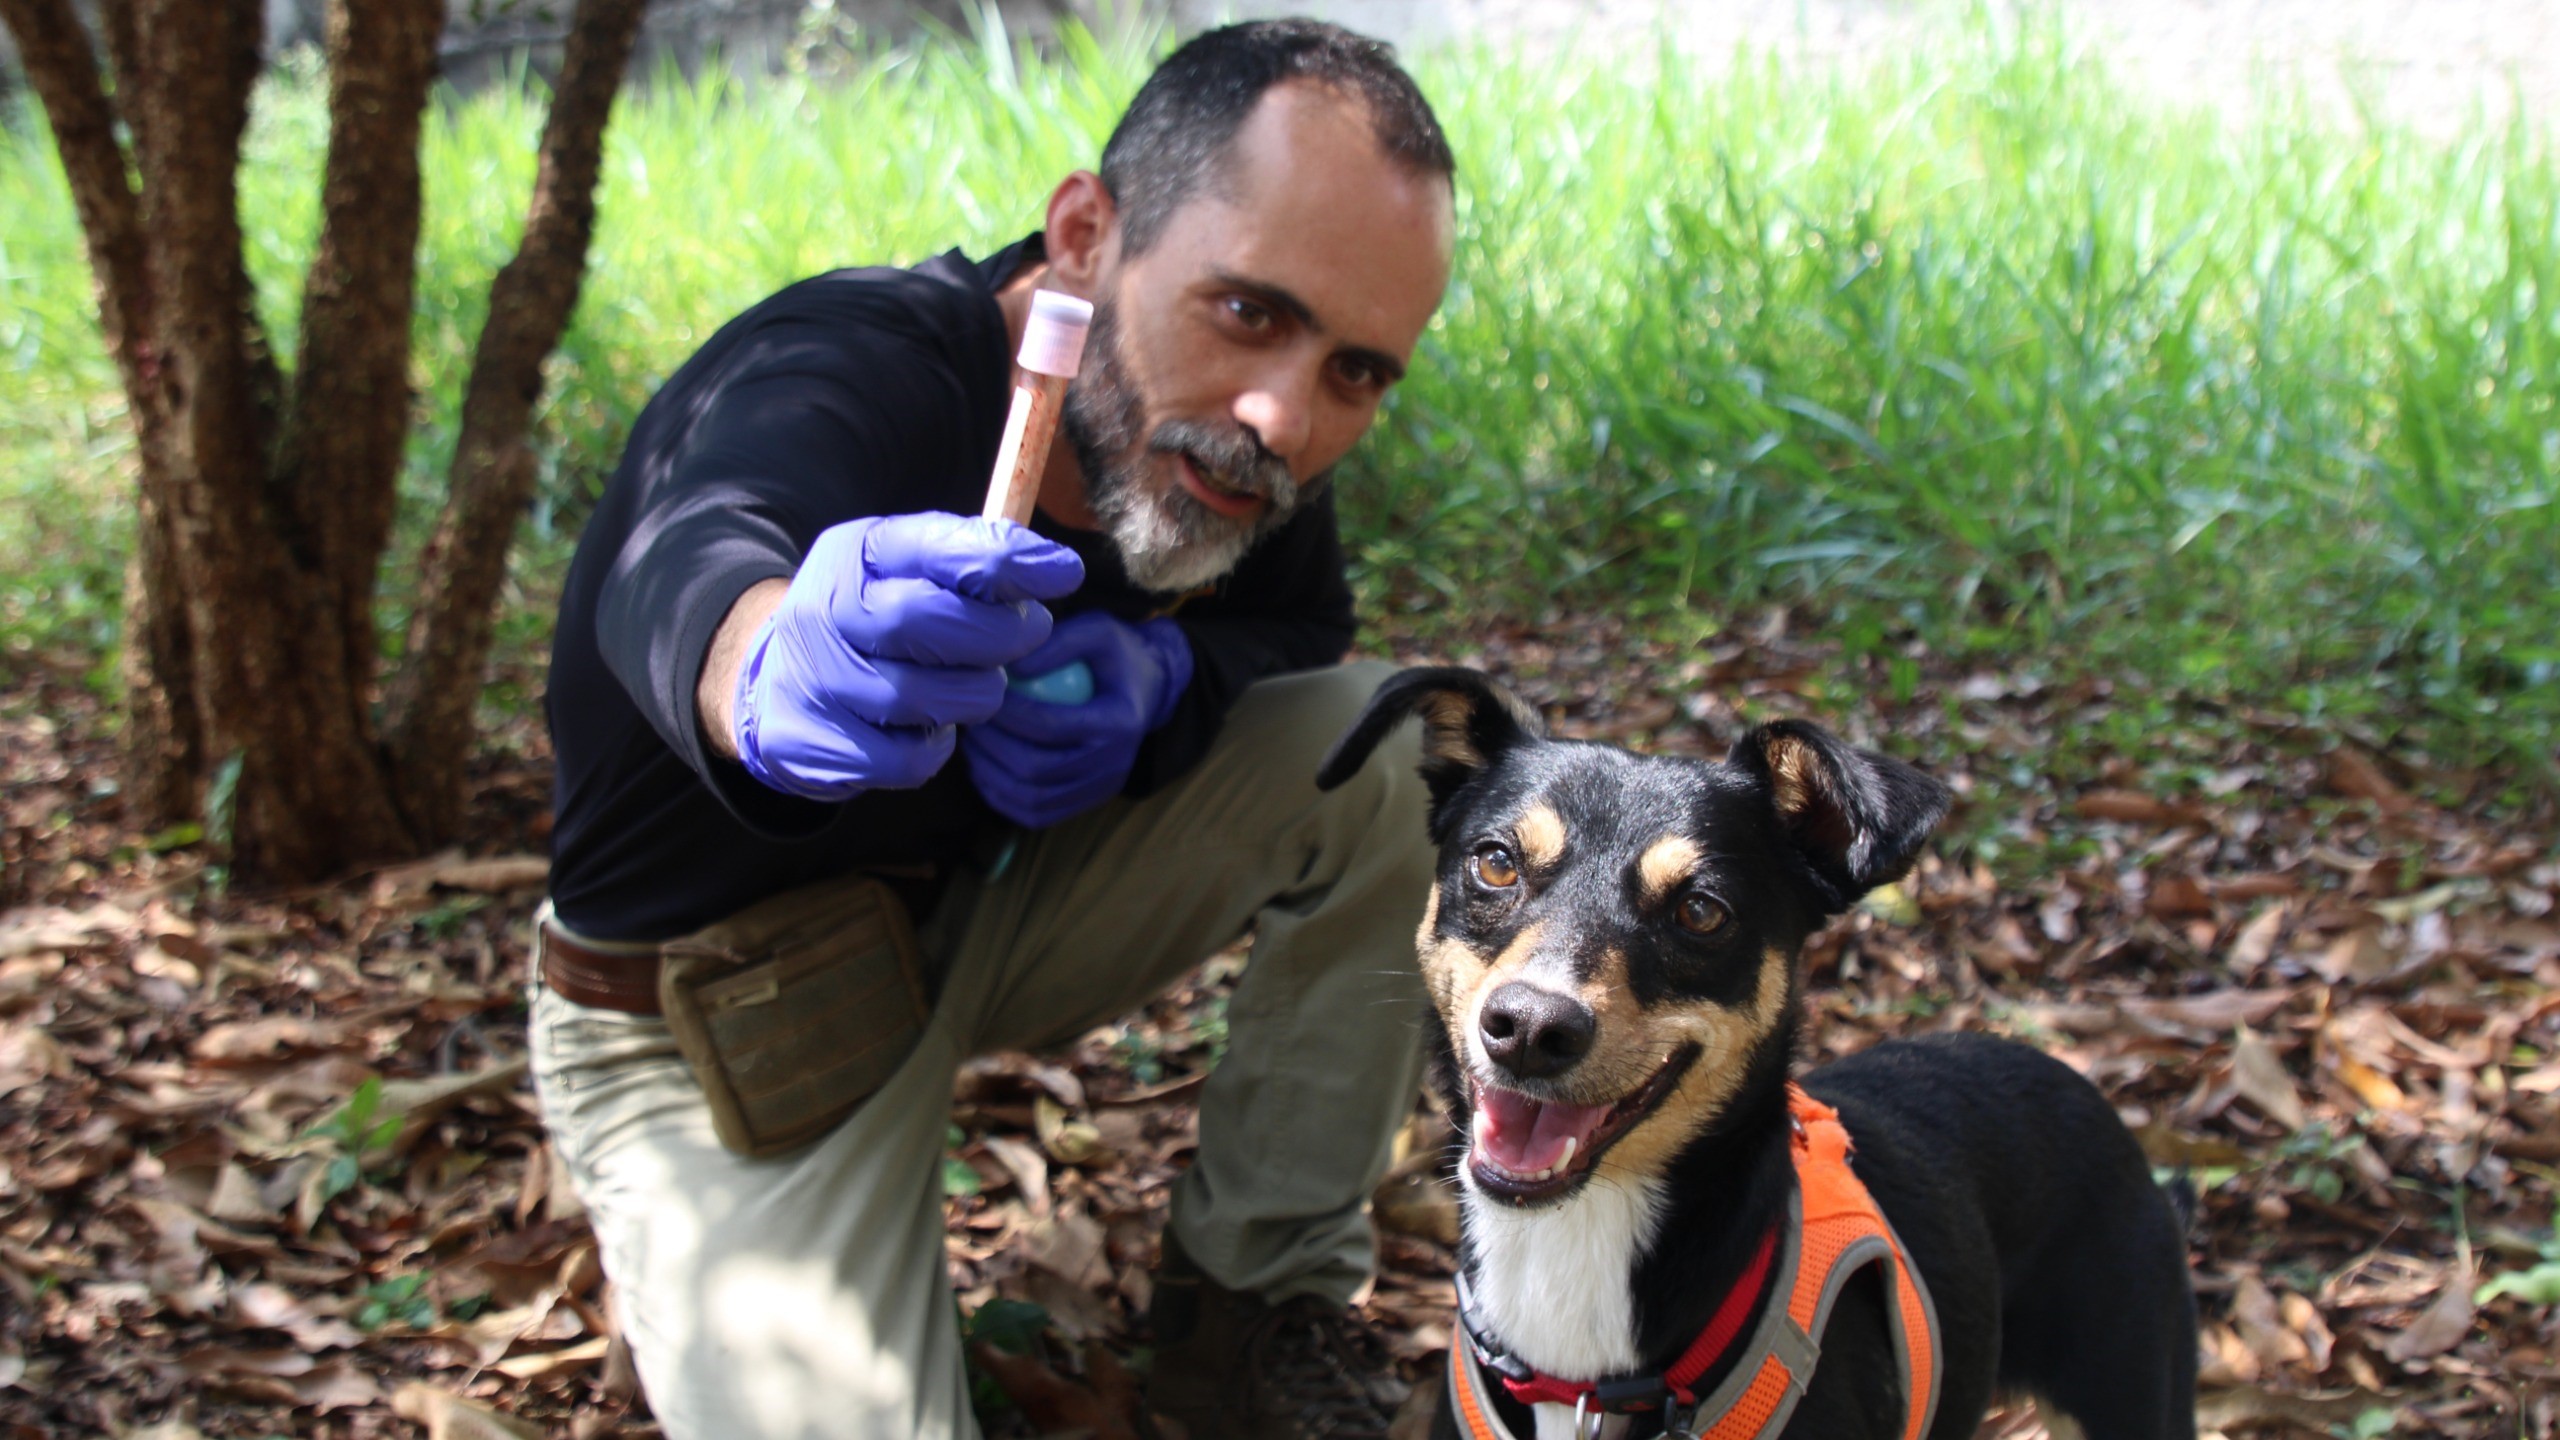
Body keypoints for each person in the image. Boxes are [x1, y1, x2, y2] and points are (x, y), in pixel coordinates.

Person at [530, 19, 1459, 1439]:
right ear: (1087, 231)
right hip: (713, 1013)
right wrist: (774, 667)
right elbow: (693, 543)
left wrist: (1162, 695)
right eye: (1251, 312)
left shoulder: (1234, 453)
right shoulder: (860, 363)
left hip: (977, 921)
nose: (1286, 416)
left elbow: (1291, 634)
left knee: (1390, 750)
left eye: (1359, 373)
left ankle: (1250, 1318)